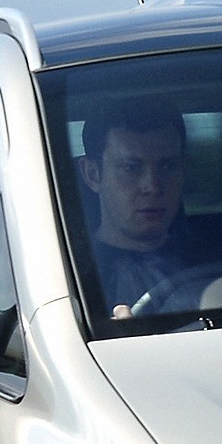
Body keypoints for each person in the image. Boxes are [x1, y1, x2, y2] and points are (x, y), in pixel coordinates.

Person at [75, 98, 200, 318]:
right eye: (130, 168)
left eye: (167, 166)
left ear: (184, 170)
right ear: (92, 174)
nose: (152, 186)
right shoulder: (70, 283)